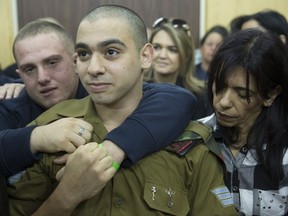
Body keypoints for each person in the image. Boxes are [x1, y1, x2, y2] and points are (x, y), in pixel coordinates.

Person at [7, 5, 237, 216]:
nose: (94, 68)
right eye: (85, 54)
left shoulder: (189, 143)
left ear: (145, 56)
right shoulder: (52, 130)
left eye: (111, 52)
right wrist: (65, 197)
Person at [0, 19, 196, 178]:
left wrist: (111, 150)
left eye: (52, 63)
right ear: (19, 74)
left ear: (75, 61)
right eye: (29, 69)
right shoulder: (11, 106)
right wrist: (38, 137)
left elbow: (177, 98)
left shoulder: (99, 93)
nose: (42, 78)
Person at [199, 29, 288, 215]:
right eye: (219, 86)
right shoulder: (197, 137)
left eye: (242, 94)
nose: (223, 102)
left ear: (271, 94)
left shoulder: (284, 153)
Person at [144, 17, 212, 119]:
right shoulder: (135, 89)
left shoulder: (200, 95)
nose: (162, 55)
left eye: (172, 50)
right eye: (157, 47)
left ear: (186, 54)